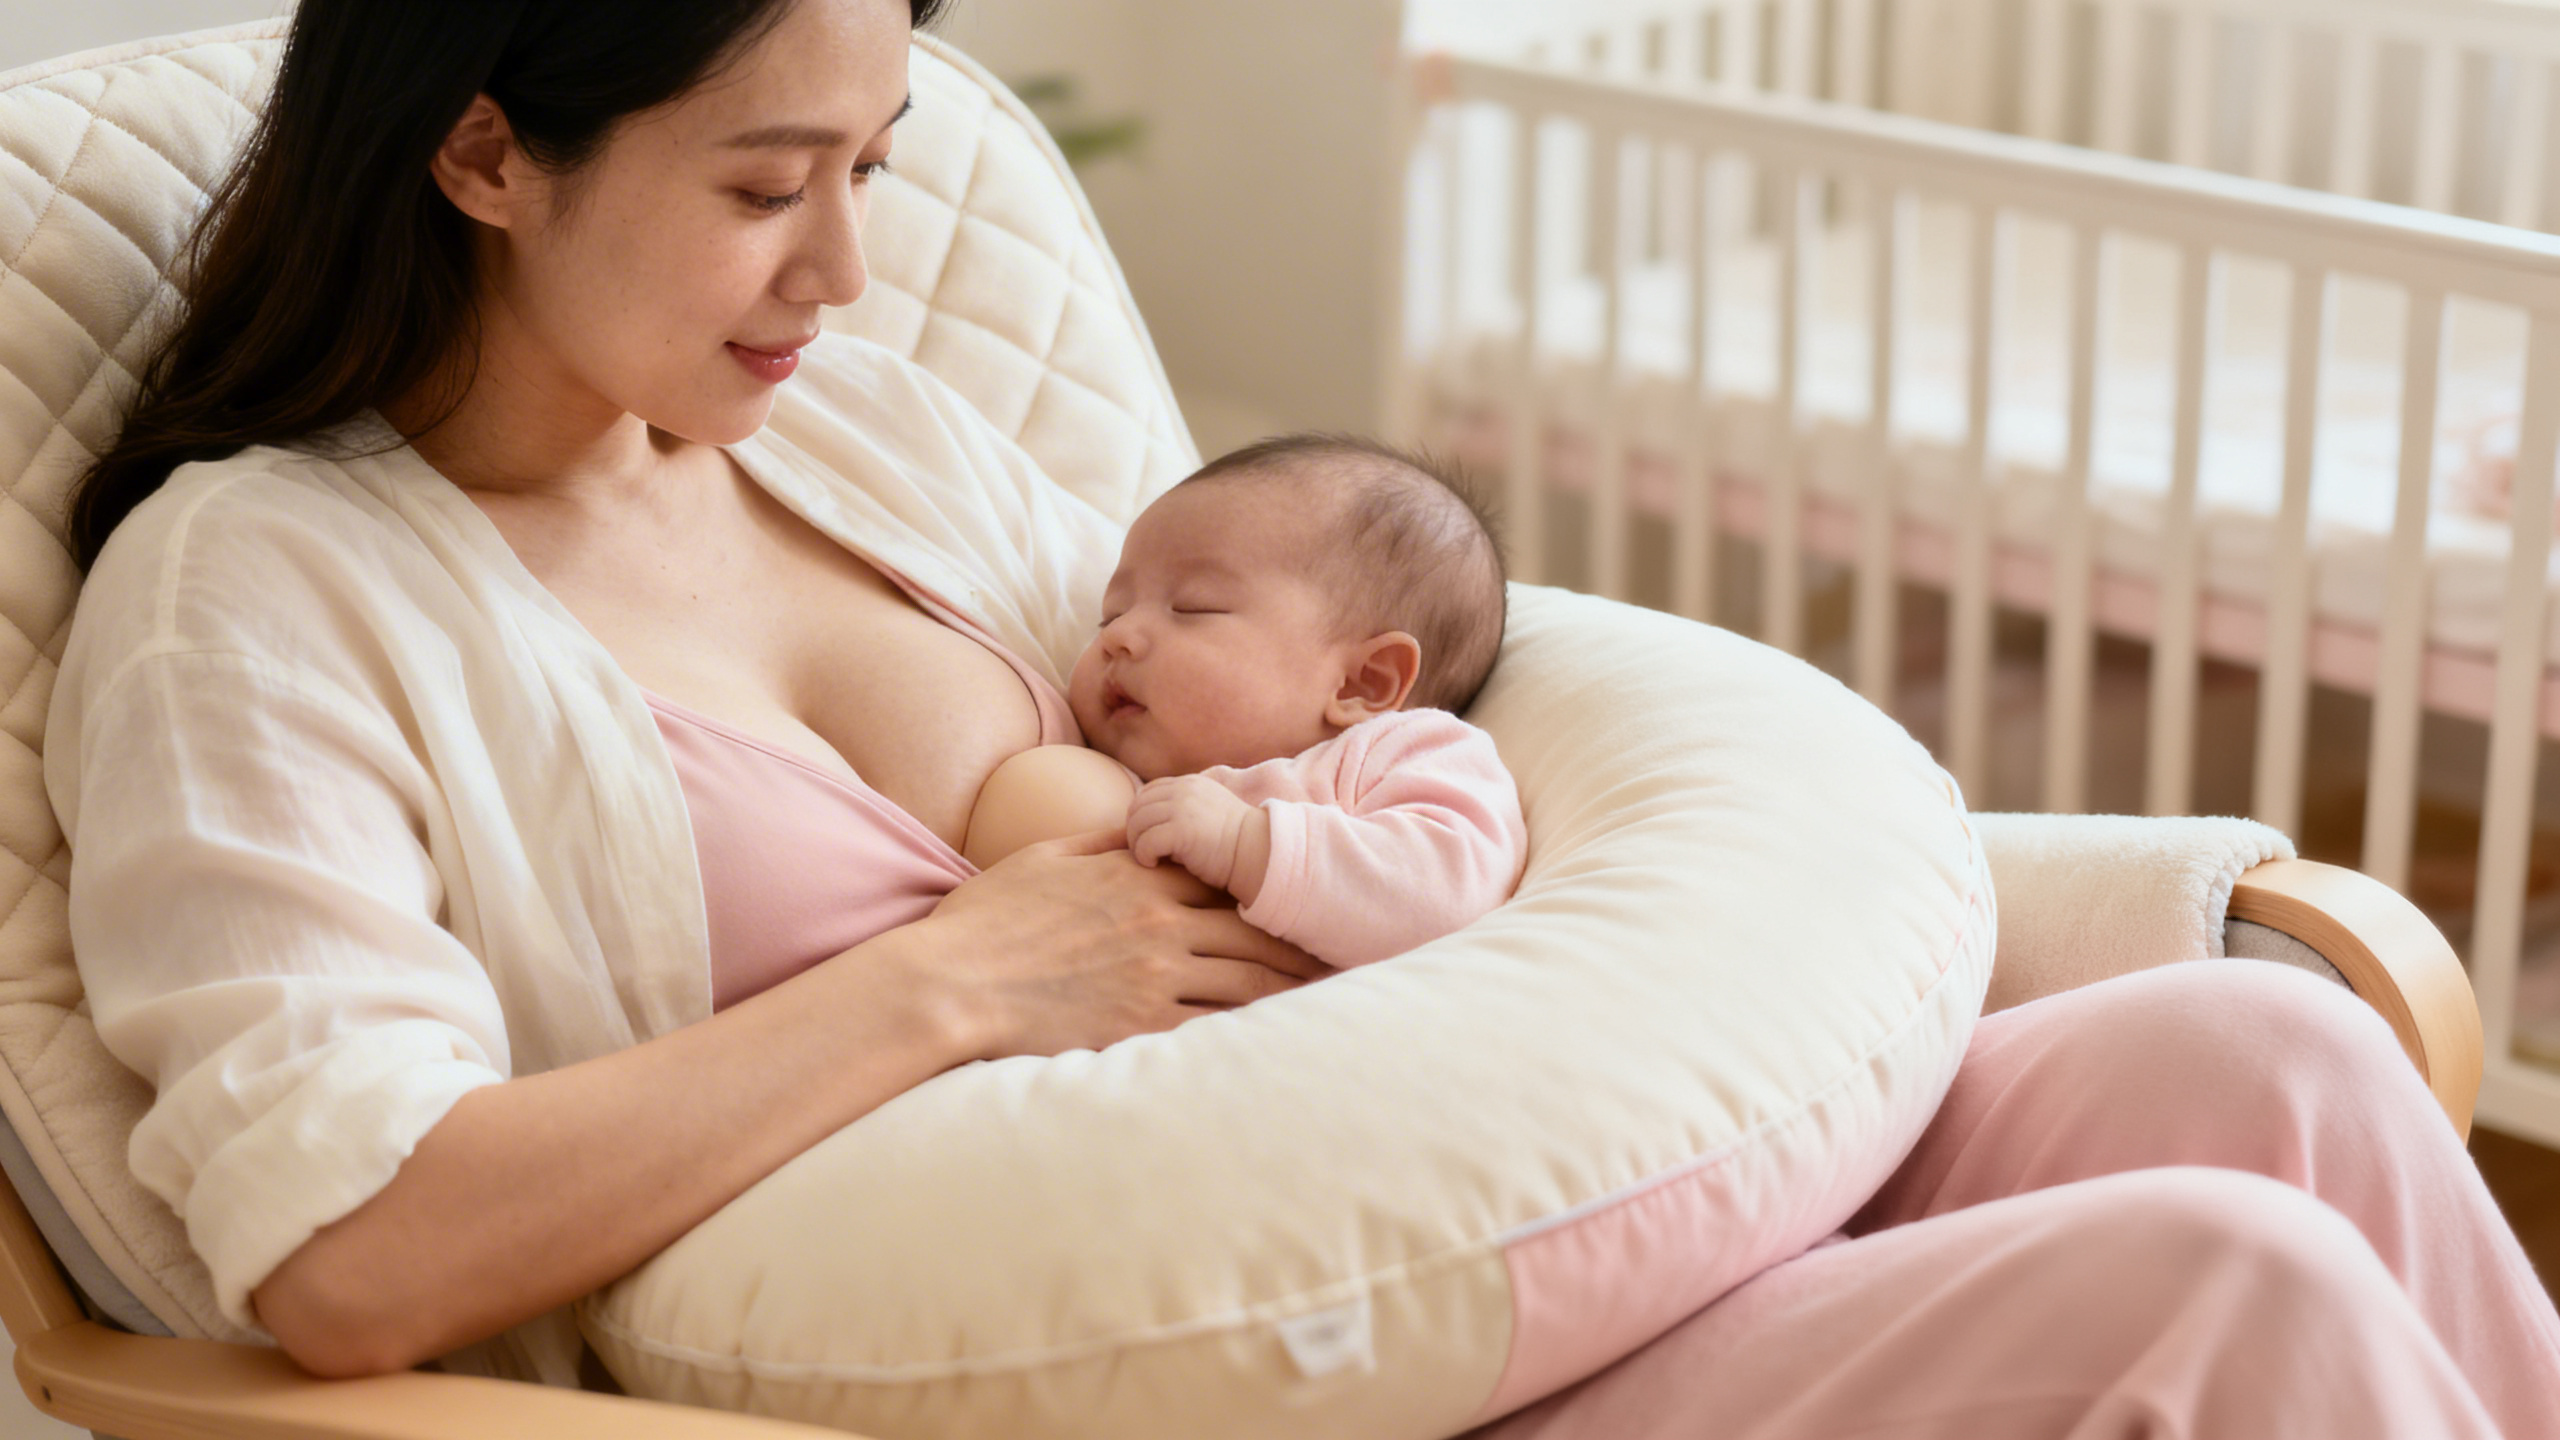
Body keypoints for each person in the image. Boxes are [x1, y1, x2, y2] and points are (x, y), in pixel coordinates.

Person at [41, 0, 2560, 1431]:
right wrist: (956, 976)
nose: (845, 261)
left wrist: (2054, 895)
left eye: (879, 165)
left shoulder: (855, 427)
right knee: (2238, 1282)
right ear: (487, 150)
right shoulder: (259, 593)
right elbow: (349, 1248)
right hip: (1214, 1348)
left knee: (2283, 1064)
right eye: (760, 185)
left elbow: (1328, 714)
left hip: (1453, 1124)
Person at [965, 435, 1529, 969]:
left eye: (1193, 607)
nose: (1118, 636)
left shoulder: (1396, 753)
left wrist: (1246, 845)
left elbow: (1448, 888)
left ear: (1363, 683)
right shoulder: (1114, 771)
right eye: (1110, 614)